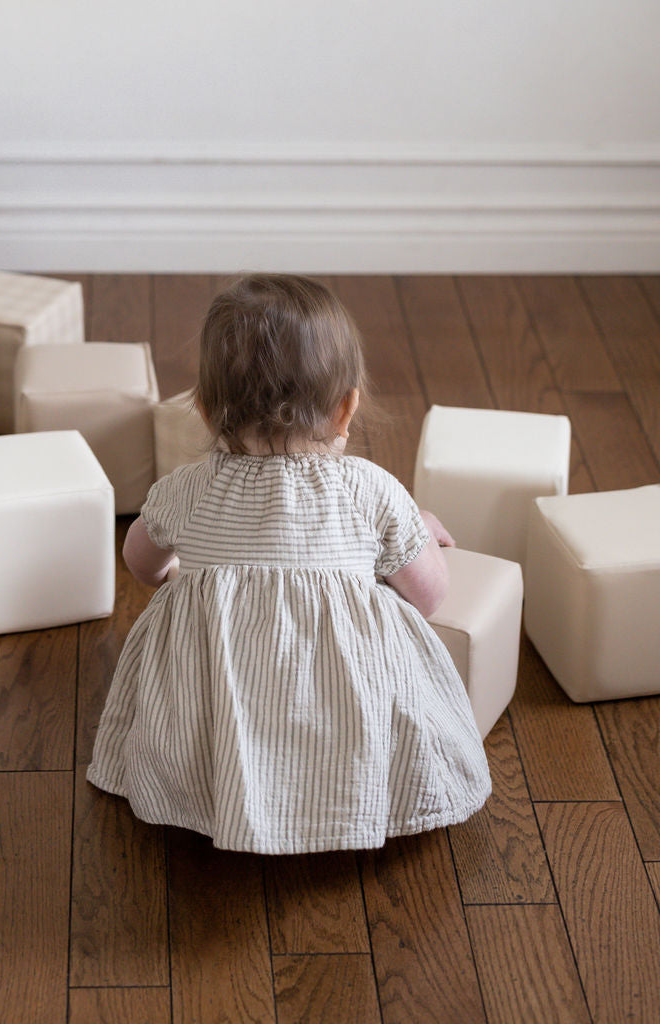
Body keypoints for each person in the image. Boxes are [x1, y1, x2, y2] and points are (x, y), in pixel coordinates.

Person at [86, 273, 491, 854]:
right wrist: (418, 530)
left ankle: (218, 792)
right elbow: (429, 597)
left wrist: (173, 580)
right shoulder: (371, 491)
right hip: (343, 710)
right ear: (347, 407)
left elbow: (139, 560)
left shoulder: (187, 490)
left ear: (204, 410)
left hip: (217, 697)